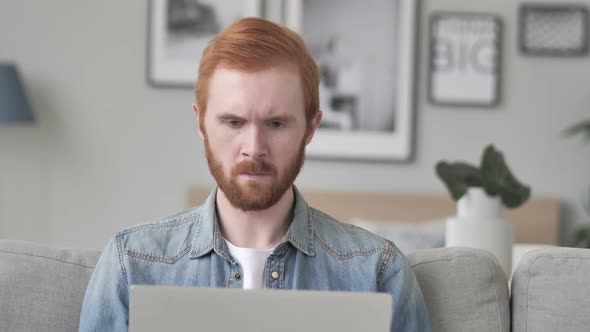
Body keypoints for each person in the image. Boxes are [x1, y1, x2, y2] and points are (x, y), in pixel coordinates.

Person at [79, 17, 431, 331]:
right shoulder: (131, 264)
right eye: (234, 122)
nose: (254, 147)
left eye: (276, 123)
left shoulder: (378, 272)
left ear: (310, 128)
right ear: (201, 123)